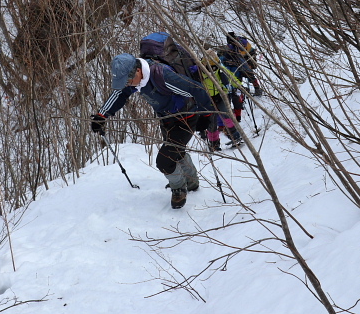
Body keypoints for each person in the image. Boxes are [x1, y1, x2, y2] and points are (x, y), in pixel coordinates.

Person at [90, 53, 214, 209]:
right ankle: (192, 182)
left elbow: (196, 89)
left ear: (137, 71)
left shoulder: (163, 76)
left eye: (128, 81)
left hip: (186, 117)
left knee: (165, 160)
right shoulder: (134, 81)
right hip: (166, 118)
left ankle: (179, 188)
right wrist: (101, 116)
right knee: (176, 152)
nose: (127, 84)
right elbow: (119, 94)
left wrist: (206, 114)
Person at [200, 49, 244, 150]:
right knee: (211, 122)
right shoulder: (199, 71)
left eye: (215, 67)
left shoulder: (220, 67)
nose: (213, 70)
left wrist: (239, 86)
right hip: (207, 99)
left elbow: (230, 76)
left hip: (220, 95)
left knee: (227, 115)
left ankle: (235, 137)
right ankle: (214, 144)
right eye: (211, 67)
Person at [222, 31, 263, 96]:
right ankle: (240, 89)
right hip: (236, 63)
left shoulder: (244, 43)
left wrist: (251, 63)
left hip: (246, 61)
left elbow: (252, 53)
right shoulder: (230, 46)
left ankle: (257, 88)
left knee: (249, 73)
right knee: (235, 74)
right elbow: (226, 58)